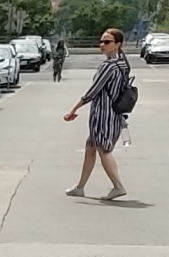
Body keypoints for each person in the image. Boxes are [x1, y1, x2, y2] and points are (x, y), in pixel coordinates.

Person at [64, 28, 131, 200]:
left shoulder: (109, 66)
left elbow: (93, 91)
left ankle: (118, 186)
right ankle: (80, 186)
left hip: (103, 114)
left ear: (117, 45)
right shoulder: (123, 64)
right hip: (115, 113)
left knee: (103, 149)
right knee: (91, 147)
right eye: (101, 41)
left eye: (107, 42)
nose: (102, 45)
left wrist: (74, 109)